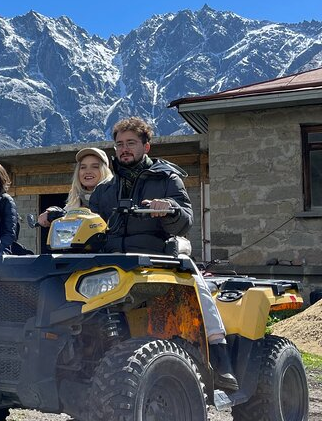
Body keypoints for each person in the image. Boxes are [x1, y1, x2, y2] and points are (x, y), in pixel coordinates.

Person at [89, 116, 239, 391]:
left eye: (131, 143)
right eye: (120, 143)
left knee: (199, 290)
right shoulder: (105, 189)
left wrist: (168, 207)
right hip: (113, 261)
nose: (124, 148)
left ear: (146, 147)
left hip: (158, 258)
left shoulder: (167, 178)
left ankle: (221, 361)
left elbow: (186, 219)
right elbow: (91, 222)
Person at [37, 147, 113, 227]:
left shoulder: (114, 198)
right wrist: (51, 212)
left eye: (95, 167)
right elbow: (65, 214)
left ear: (105, 171)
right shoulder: (76, 201)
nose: (88, 171)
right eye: (83, 167)